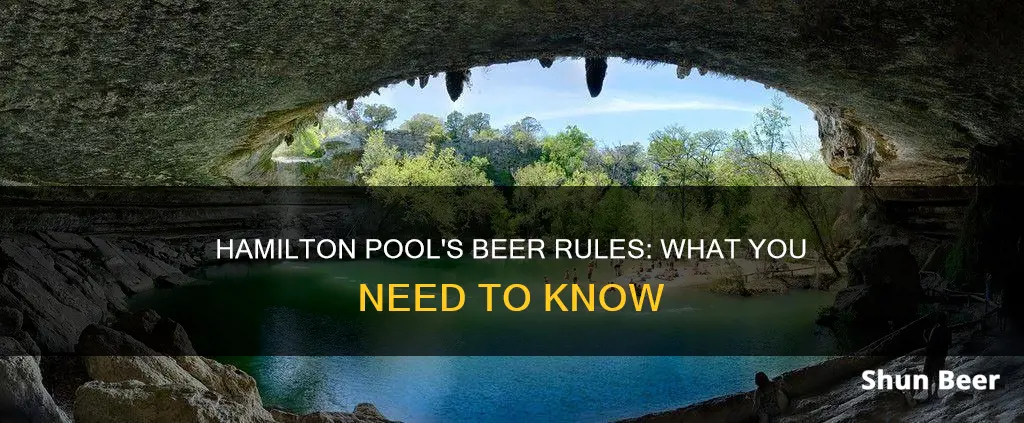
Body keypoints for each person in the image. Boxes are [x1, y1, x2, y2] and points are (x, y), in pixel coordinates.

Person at [923, 312, 952, 400]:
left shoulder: (935, 330)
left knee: (929, 375)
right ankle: (935, 393)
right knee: (938, 374)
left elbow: (930, 343)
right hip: (941, 355)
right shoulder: (948, 330)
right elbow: (949, 343)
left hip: (932, 355)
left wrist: (924, 336)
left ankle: (929, 395)